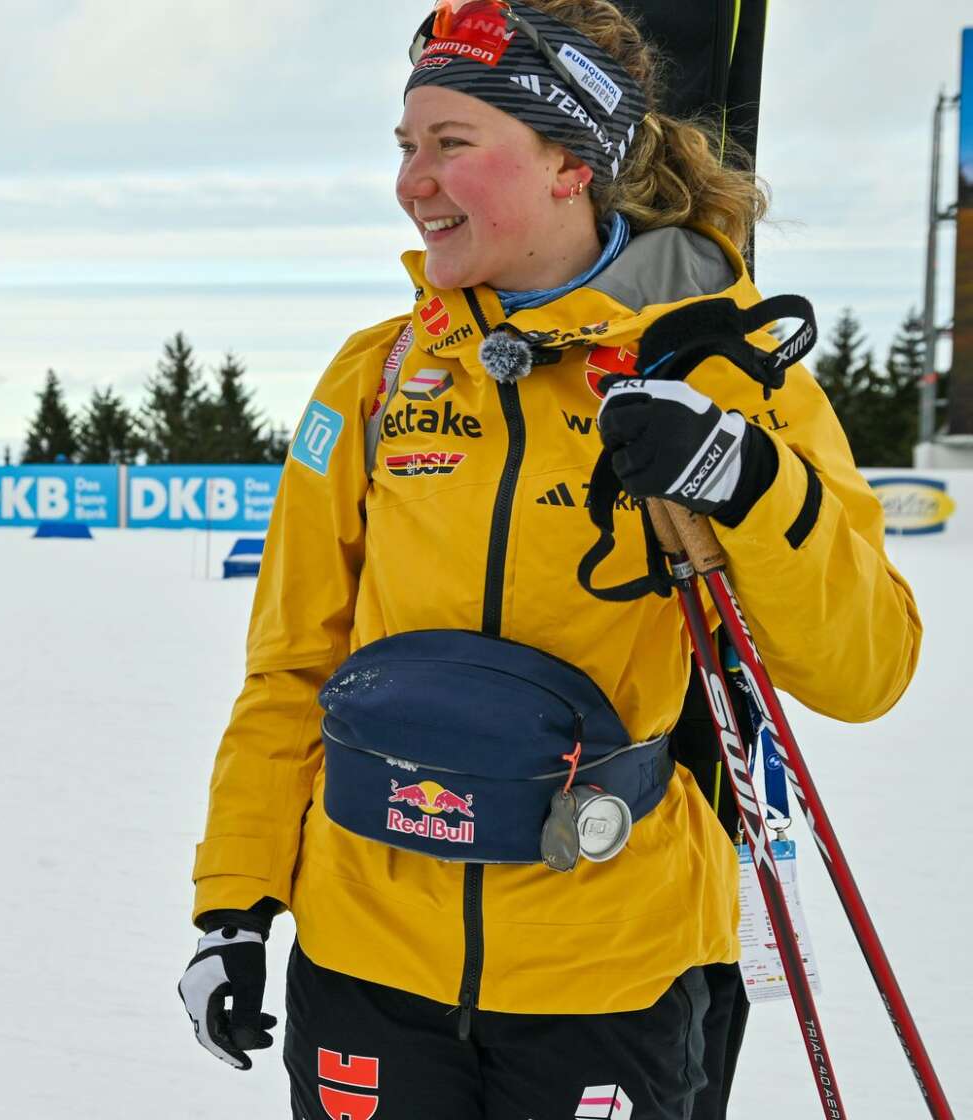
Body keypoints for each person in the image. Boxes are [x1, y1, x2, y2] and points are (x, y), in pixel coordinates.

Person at [176, 1, 921, 1117]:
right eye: (405, 146)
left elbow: (864, 671)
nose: (412, 182)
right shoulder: (375, 378)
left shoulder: (723, 375)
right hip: (366, 961)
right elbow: (294, 666)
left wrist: (750, 481)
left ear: (572, 162)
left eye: (452, 144)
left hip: (611, 970)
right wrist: (234, 905)